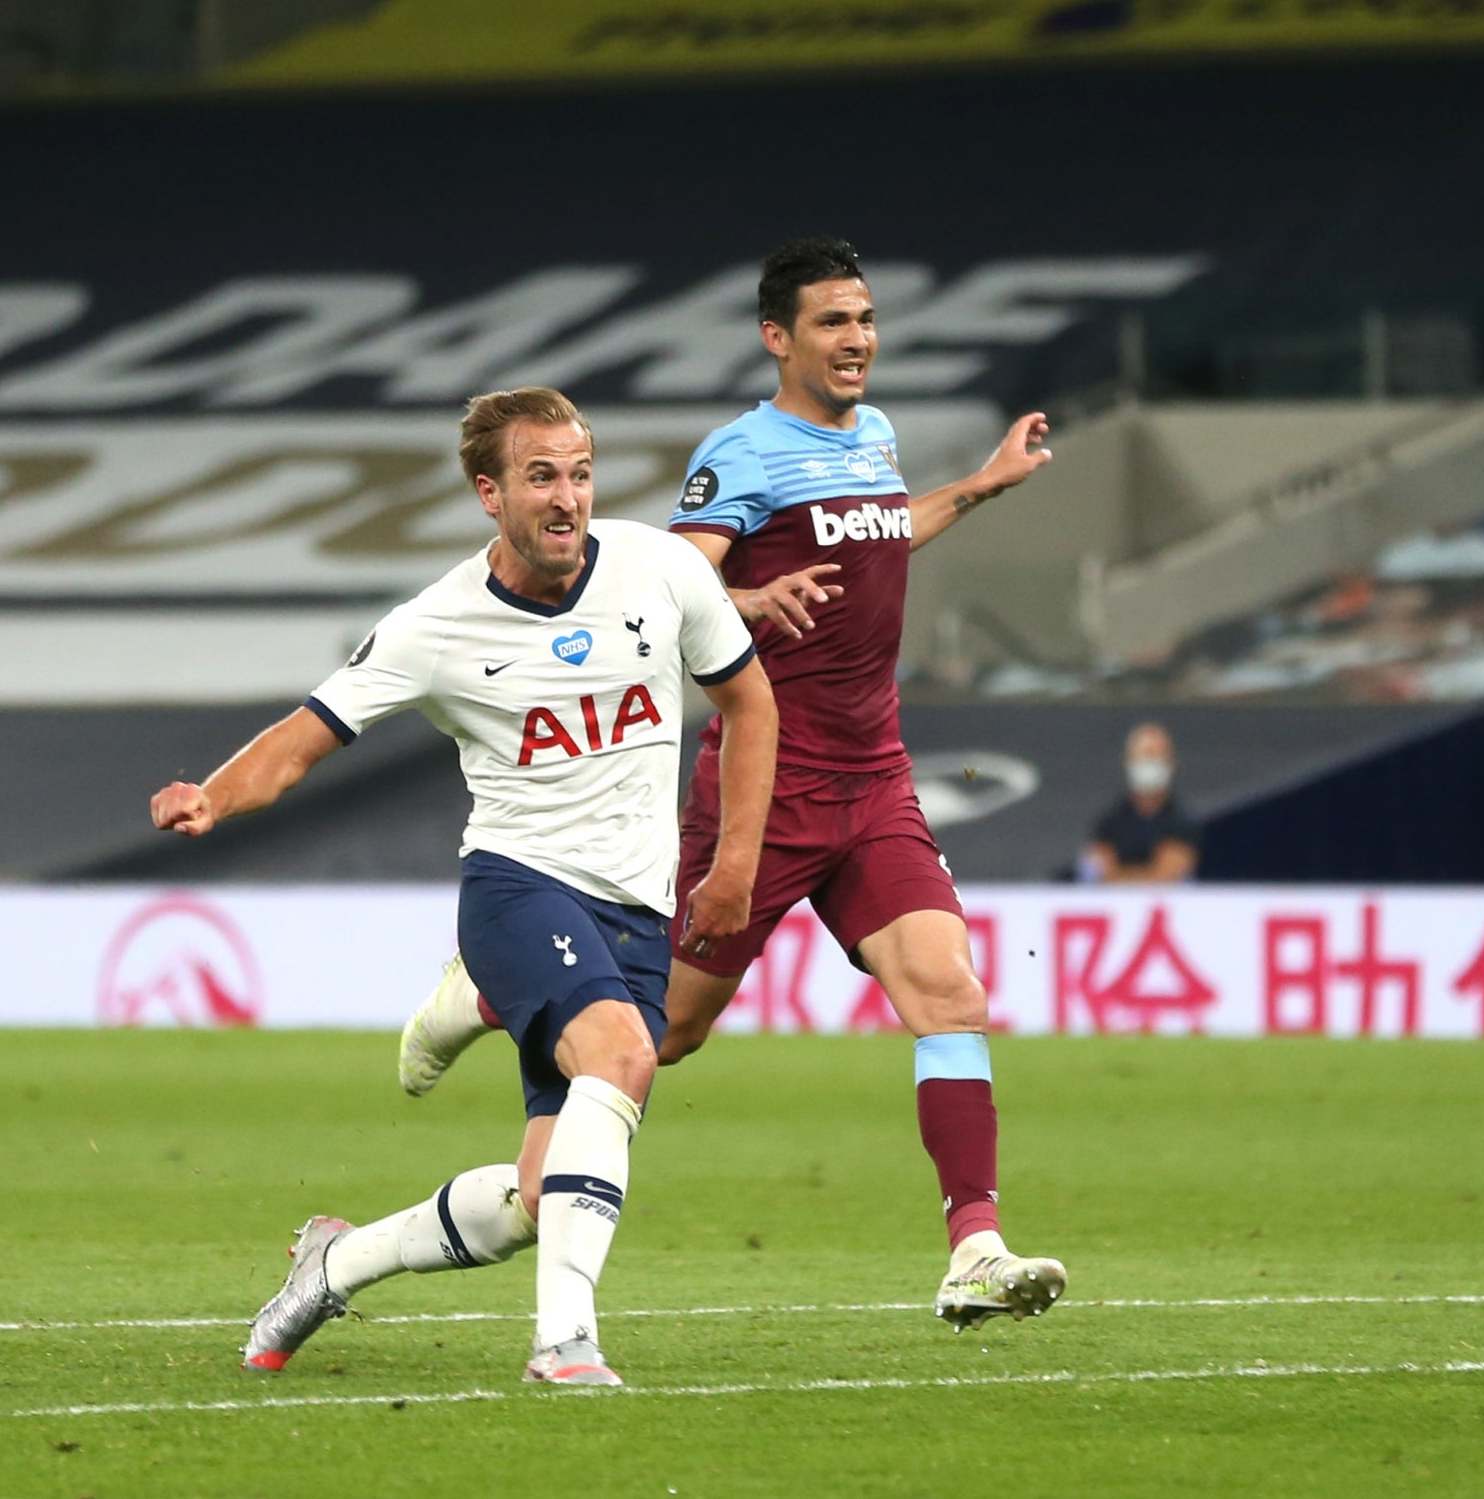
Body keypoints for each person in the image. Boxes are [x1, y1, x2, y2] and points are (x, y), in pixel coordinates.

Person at [398, 237, 1067, 1331]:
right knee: (663, 1033)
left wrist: (982, 486)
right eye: (832, 323)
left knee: (949, 992)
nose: (857, 340)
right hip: (769, 780)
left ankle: (974, 1247)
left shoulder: (877, 439)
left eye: (864, 319)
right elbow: (666, 586)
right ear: (778, 337)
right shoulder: (743, 453)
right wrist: (753, 603)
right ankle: (487, 988)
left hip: (875, 775)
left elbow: (885, 536)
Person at [149, 387, 777, 1386]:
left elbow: (748, 699)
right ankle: (563, 1345)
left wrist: (735, 860)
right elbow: (303, 737)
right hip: (518, 886)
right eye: (541, 476)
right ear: (489, 492)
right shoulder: (436, 623)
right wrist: (213, 798)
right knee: (622, 1053)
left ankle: (334, 1260)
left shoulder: (659, 569)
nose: (567, 496)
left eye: (579, 470)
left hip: (637, 906)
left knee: (541, 1196)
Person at [1080, 722, 1200, 883]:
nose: (1148, 763)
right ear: (1128, 761)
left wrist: (1125, 875)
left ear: (1171, 762)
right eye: (1143, 756)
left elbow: (1166, 877)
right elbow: (1104, 874)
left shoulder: (1182, 822)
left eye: (1155, 757)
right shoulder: (1109, 822)